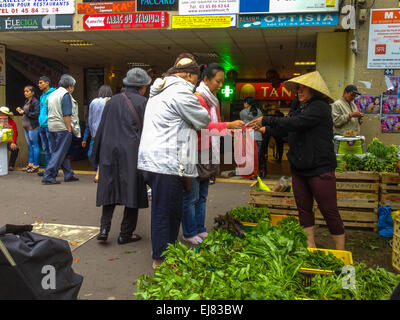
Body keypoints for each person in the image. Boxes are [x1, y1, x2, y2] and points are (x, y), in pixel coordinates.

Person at [247, 71, 345, 250]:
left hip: (319, 168)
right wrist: (264, 130)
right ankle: (310, 246)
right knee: (304, 209)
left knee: (329, 210)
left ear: (313, 91)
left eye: (303, 88)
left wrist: (266, 119)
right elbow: (288, 130)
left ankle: (341, 251)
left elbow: (296, 123)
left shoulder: (320, 107)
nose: (299, 91)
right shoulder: (299, 108)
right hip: (299, 168)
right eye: (298, 88)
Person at [137, 53, 211, 269]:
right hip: (166, 162)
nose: (197, 83)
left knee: (172, 209)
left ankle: (167, 252)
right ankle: (160, 259)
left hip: (155, 160)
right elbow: (203, 119)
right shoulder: (180, 92)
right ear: (189, 76)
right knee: (165, 211)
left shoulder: (160, 90)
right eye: (196, 78)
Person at [181, 63, 244, 245]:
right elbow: (201, 125)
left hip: (207, 153)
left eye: (222, 82)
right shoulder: (198, 99)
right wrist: (228, 125)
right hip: (194, 154)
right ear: (206, 79)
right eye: (218, 81)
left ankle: (200, 229)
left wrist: (227, 130)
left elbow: (213, 126)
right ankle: (189, 231)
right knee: (191, 197)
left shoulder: (213, 101)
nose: (221, 85)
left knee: (202, 196)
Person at [91, 69, 151, 245]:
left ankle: (104, 229)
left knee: (109, 188)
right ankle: (125, 234)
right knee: (132, 191)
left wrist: (96, 155)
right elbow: (147, 131)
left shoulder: (112, 101)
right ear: (142, 86)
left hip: (109, 150)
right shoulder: (144, 103)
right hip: (132, 152)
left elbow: (102, 127)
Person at [42, 74, 81, 185]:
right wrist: (69, 128)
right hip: (62, 127)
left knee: (61, 151)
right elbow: (67, 114)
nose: (73, 89)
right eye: (73, 87)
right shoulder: (65, 95)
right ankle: (48, 175)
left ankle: (68, 174)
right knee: (59, 152)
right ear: (69, 86)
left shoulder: (52, 94)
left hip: (52, 126)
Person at [85, 85, 112, 183]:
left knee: (92, 152)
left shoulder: (93, 102)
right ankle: (100, 171)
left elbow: (90, 118)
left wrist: (92, 131)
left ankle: (97, 169)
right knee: (105, 153)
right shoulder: (111, 101)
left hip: (95, 132)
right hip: (107, 132)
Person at [16, 86, 40, 173]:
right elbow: (26, 112)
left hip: (32, 127)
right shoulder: (26, 101)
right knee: (29, 146)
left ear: (32, 92)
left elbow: (36, 114)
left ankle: (36, 165)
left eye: (27, 91)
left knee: (34, 145)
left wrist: (24, 112)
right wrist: (21, 110)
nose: (25, 93)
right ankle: (30, 164)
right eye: (24, 91)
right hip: (26, 127)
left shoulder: (35, 102)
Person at [240, 97, 264, 175]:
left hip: (248, 137)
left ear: (247, 103)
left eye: (244, 103)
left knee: (248, 156)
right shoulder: (259, 111)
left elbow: (243, 121)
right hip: (258, 137)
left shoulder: (243, 112)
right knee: (257, 157)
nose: (244, 104)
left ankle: (249, 173)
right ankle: (257, 173)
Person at [37, 76, 56, 176]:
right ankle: (48, 170)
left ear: (47, 83)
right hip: (42, 125)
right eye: (39, 83)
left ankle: (53, 170)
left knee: (52, 148)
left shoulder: (53, 94)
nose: (39, 85)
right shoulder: (42, 96)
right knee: (46, 149)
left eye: (41, 83)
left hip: (50, 125)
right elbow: (41, 110)